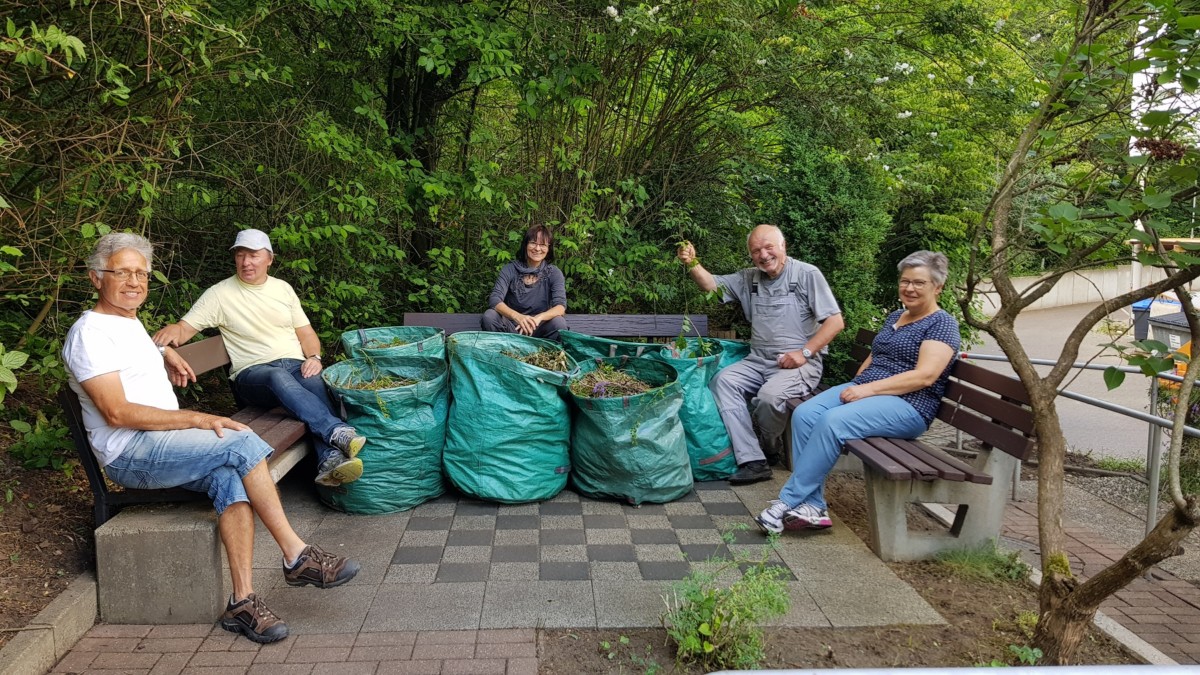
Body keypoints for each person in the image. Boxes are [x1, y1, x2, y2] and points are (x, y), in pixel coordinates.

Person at [63, 233, 360, 644]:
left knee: (230, 477)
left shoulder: (127, 323)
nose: (134, 281)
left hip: (163, 445)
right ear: (97, 278)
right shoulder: (89, 333)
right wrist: (198, 418)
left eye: (141, 273)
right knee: (241, 440)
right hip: (131, 453)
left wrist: (163, 352)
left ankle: (242, 603)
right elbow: (116, 412)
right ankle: (297, 555)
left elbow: (140, 355)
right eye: (122, 273)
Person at [755, 250, 961, 533]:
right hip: (870, 390)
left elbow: (925, 376)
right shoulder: (896, 316)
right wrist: (858, 383)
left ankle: (786, 501)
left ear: (937, 287)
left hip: (909, 404)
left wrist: (867, 390)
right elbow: (877, 355)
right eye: (905, 281)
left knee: (833, 421)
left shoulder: (942, 324)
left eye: (919, 283)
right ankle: (813, 506)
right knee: (805, 413)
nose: (909, 288)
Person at [153, 229, 365, 488]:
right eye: (240, 255)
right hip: (253, 376)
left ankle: (329, 458)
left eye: (253, 255)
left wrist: (314, 357)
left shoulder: (283, 289)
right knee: (277, 376)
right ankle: (335, 431)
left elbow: (306, 333)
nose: (246, 262)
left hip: (294, 367)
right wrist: (170, 334)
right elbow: (184, 328)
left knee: (314, 381)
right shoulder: (219, 294)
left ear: (269, 259)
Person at [677, 224, 845, 485]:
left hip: (799, 363)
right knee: (723, 382)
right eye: (756, 251)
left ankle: (770, 445)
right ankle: (753, 461)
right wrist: (692, 262)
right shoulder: (748, 278)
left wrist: (804, 352)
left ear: (783, 246)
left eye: (769, 247)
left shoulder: (807, 274)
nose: (763, 255)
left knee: (768, 398)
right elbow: (712, 286)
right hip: (758, 360)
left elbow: (835, 322)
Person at [481, 224, 567, 341]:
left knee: (559, 322)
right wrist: (518, 317)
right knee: (490, 316)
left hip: (539, 329)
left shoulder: (554, 273)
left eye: (542, 245)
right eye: (533, 243)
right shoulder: (509, 269)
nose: (537, 248)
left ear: (548, 248)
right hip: (511, 328)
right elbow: (495, 300)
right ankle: (503, 354)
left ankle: (545, 355)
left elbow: (560, 307)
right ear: (525, 245)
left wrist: (539, 318)